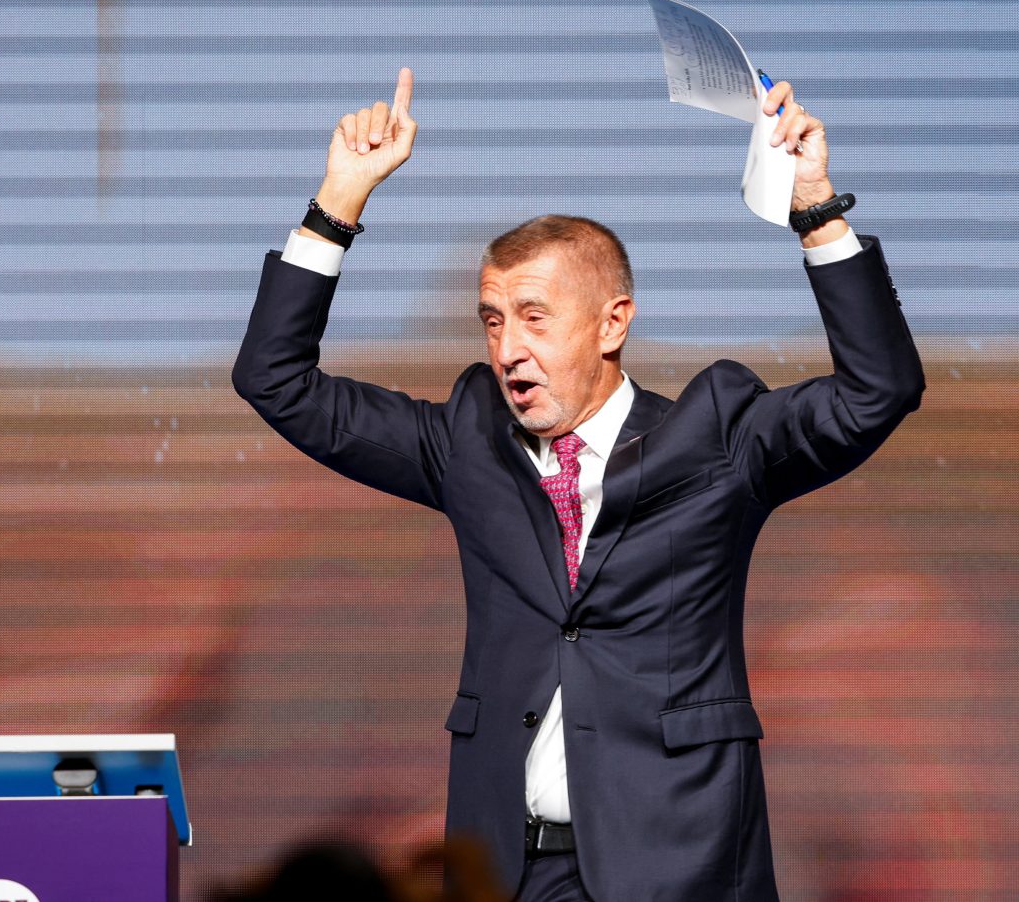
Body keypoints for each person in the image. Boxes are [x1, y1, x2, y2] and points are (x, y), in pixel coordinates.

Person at [232, 68, 924, 901]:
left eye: (534, 317)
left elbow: (879, 389)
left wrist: (815, 208)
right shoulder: (469, 442)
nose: (507, 349)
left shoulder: (717, 439)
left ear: (612, 322)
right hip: (508, 870)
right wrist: (338, 201)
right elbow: (275, 380)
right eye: (493, 320)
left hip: (681, 867)